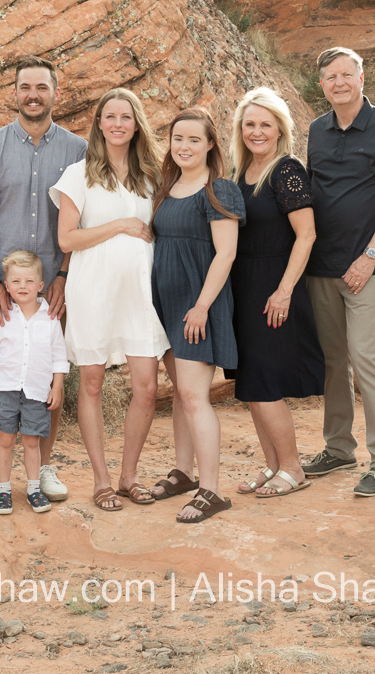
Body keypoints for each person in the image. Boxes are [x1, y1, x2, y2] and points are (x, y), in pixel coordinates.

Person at [0, 55, 86, 506]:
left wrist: (62, 275)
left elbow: (82, 216)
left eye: (41, 87)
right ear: (13, 93)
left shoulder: (77, 150)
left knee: (45, 373)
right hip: (1, 287)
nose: (33, 95)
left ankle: (46, 464)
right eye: (25, 87)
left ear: (56, 92)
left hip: (54, 285)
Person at [51, 89, 169, 512]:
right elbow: (67, 238)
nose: (118, 124)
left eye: (126, 117)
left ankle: (128, 477)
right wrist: (120, 224)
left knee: (147, 386)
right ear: (99, 123)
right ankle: (101, 481)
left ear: (137, 124)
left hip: (142, 293)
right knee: (93, 382)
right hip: (94, 291)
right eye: (110, 116)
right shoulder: (77, 174)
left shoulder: (153, 174)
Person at [305, 46, 375, 497]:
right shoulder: (316, 130)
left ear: (362, 78)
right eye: (331, 77)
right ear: (322, 84)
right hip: (321, 265)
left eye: (346, 74)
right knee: (333, 360)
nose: (339, 83)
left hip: (367, 266)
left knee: (366, 357)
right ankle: (338, 447)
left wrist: (369, 256)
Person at [150, 107, 245, 522]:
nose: (184, 146)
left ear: (210, 144)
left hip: (197, 305)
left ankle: (211, 491)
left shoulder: (218, 190)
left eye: (193, 139)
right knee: (180, 394)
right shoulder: (165, 187)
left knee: (193, 396)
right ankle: (183, 473)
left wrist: (202, 306)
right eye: (177, 138)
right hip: (164, 304)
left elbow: (226, 253)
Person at [228, 88, 324, 498]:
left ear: (280, 129)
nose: (257, 131)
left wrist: (284, 291)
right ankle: (273, 466)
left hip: (273, 287)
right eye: (250, 124)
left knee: (265, 382)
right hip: (242, 288)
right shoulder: (239, 173)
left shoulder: (286, 171)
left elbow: (307, 235)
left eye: (265, 124)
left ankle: (293, 468)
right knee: (251, 383)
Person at [0, 251, 69, 515]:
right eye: (16, 281)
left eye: (29, 281)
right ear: (6, 285)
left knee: (31, 442)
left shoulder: (50, 317)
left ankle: (33, 489)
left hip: (37, 391)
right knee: (5, 441)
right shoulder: (1, 316)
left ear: (41, 285)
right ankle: (4, 490)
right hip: (5, 390)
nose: (23, 287)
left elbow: (59, 357)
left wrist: (57, 386)